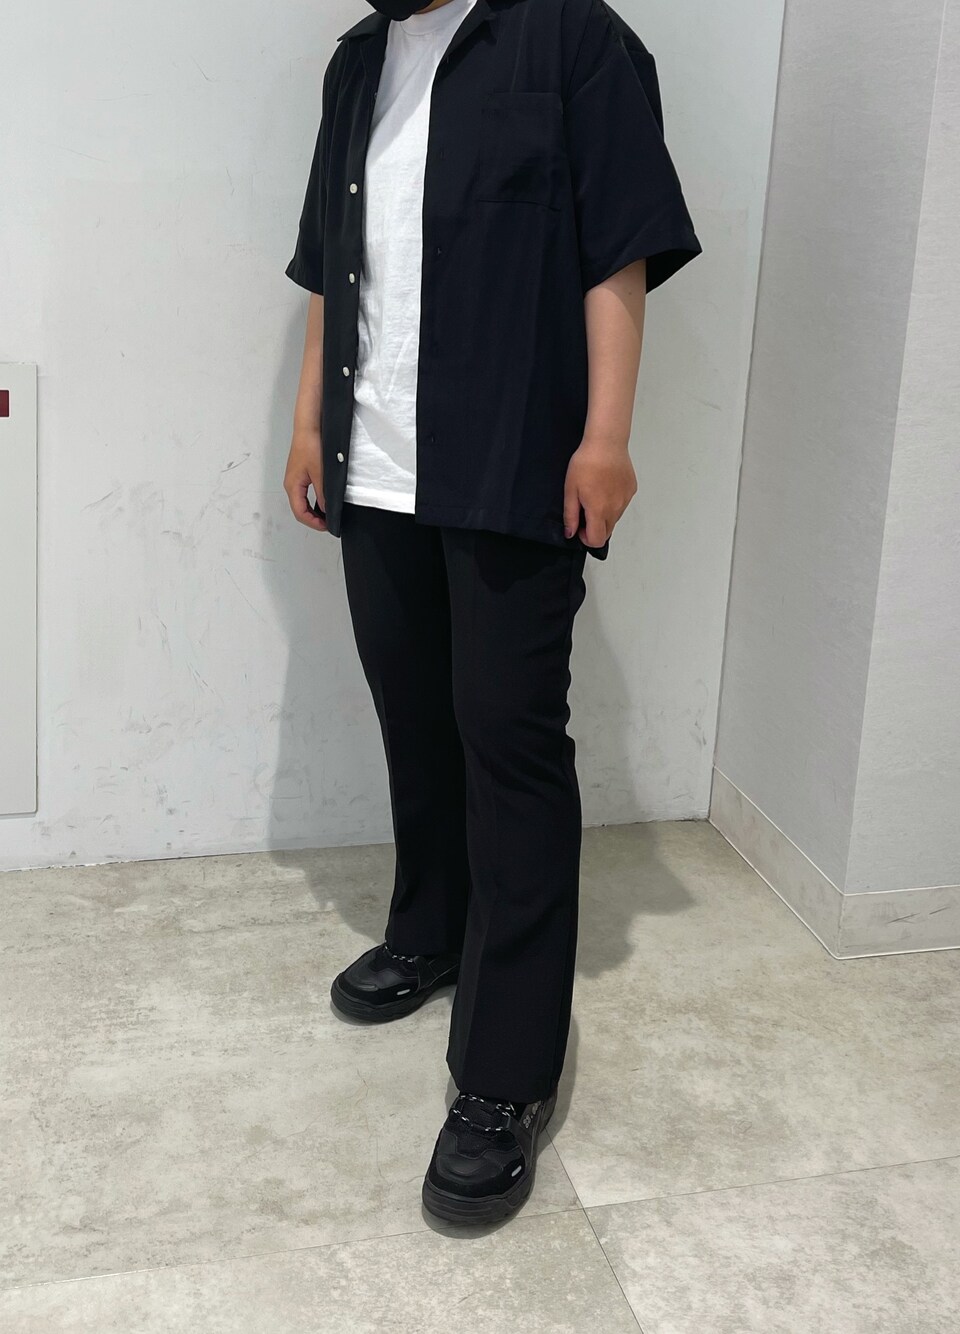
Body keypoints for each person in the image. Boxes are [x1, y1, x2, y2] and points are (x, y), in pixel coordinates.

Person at [283, 0, 701, 1225]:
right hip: (374, 465)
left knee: (508, 741)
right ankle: (430, 928)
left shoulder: (572, 39)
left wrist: (607, 435)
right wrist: (307, 424)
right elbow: (330, 262)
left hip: (513, 462)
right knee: (414, 715)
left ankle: (504, 1070)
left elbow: (616, 249)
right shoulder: (359, 62)